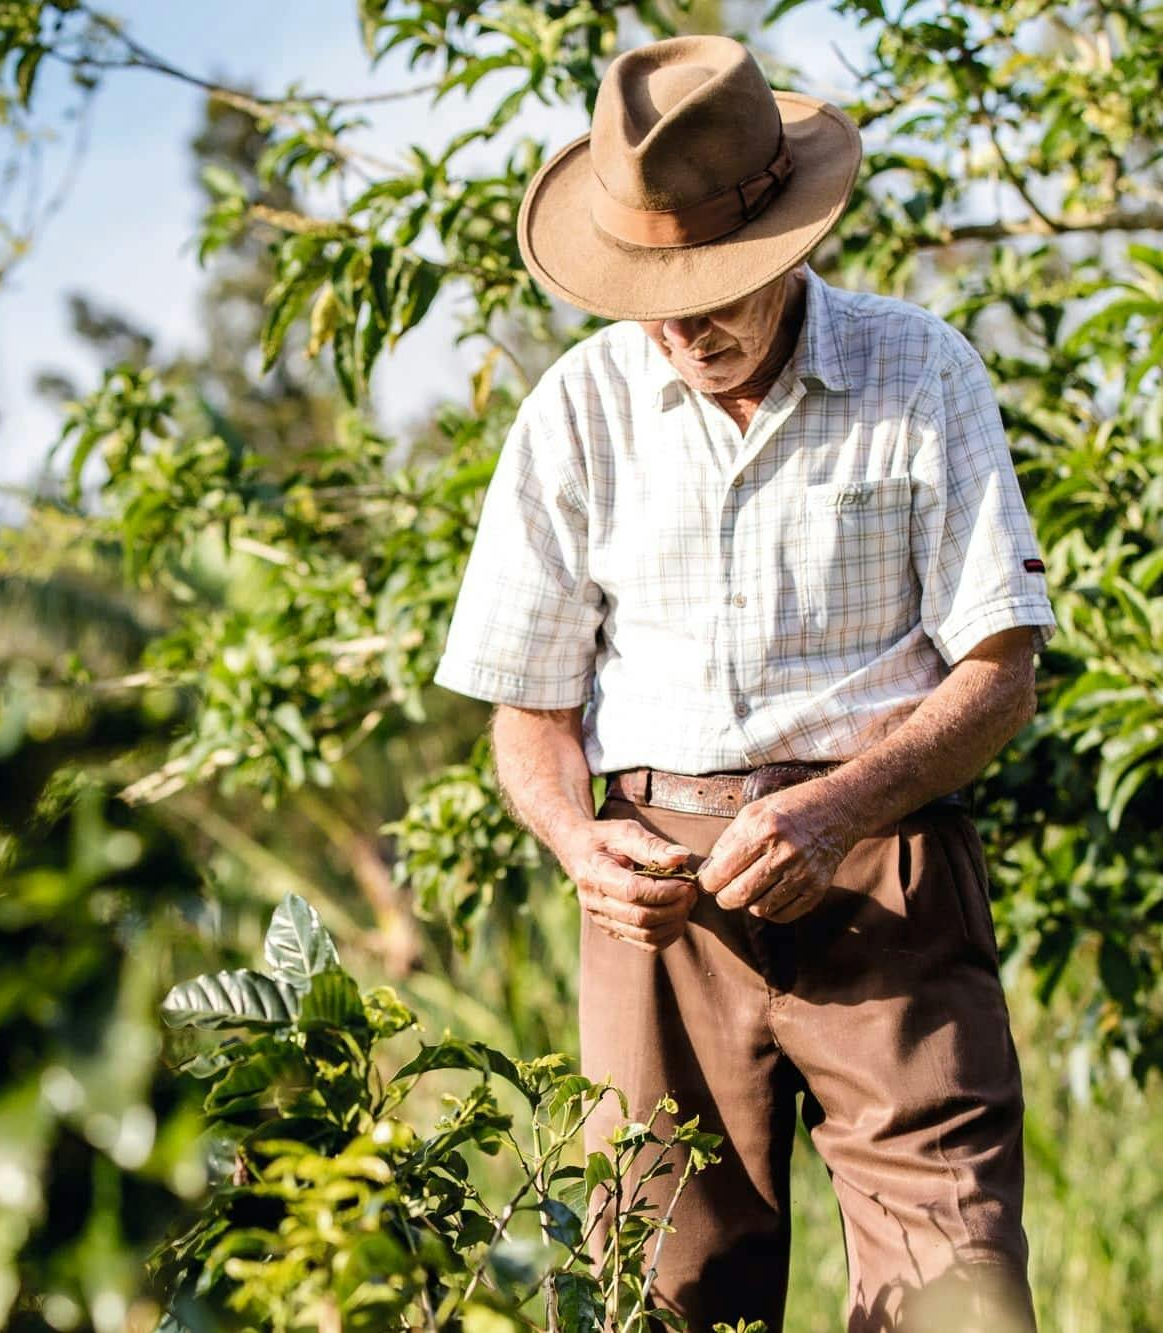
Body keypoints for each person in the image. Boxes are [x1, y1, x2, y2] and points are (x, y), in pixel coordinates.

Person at [431, 34, 1055, 1333]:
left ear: (793, 241)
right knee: (664, 1296)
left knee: (961, 1290)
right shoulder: (575, 410)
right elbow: (529, 715)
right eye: (652, 289)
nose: (682, 323)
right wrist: (575, 841)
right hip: (659, 905)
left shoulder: (923, 370)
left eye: (717, 283)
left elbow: (1000, 671)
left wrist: (839, 808)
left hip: (888, 868)